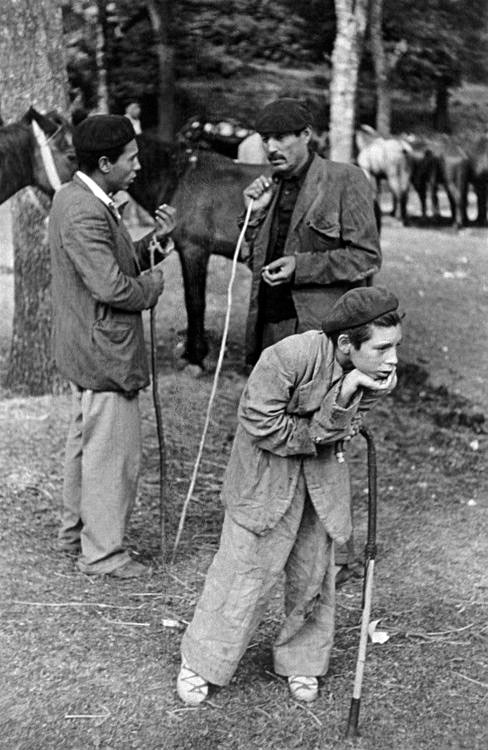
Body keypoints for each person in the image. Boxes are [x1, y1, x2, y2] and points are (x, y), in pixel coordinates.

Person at [176, 286, 402, 705]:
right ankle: (203, 661)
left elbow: (345, 427)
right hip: (265, 479)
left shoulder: (376, 373)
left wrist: (351, 392)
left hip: (321, 481)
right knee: (243, 574)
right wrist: (325, 421)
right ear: (346, 345)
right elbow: (260, 422)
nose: (392, 359)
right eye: (383, 348)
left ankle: (303, 660)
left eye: (396, 347)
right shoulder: (287, 357)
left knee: (314, 575)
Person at [241, 97, 382, 583]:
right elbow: (248, 259)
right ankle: (289, 544)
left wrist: (302, 266)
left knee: (326, 440)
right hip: (275, 334)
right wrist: (254, 214)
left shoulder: (345, 180)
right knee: (282, 440)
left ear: (307, 136)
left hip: (322, 336)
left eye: (282, 137)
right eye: (266, 138)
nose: (272, 147)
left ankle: (336, 556)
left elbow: (364, 258)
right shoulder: (268, 190)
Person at [49, 114, 176, 578]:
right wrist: (152, 286)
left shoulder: (79, 198)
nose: (138, 166)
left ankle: (75, 531)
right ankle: (103, 553)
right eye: (131, 158)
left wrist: (155, 244)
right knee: (111, 452)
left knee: (87, 442)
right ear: (105, 163)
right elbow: (112, 287)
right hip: (103, 349)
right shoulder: (84, 209)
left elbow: (111, 261)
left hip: (88, 343)